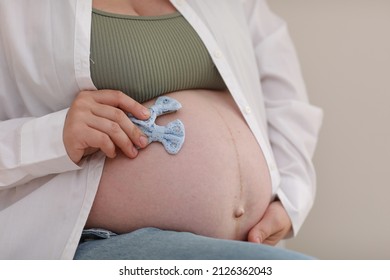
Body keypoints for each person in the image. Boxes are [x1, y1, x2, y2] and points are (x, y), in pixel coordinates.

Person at [0, 0, 322, 260]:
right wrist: (53, 136)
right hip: (93, 239)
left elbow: (285, 99)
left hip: (247, 244)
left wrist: (290, 200)